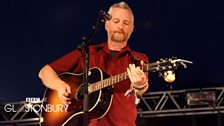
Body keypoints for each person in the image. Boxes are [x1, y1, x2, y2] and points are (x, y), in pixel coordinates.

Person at [39, 1, 149, 126]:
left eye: (126, 23)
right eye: (116, 21)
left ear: (132, 28)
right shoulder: (87, 52)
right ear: (106, 24)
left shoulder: (138, 59)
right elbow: (45, 71)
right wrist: (58, 85)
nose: (120, 26)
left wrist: (140, 85)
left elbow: (142, 87)